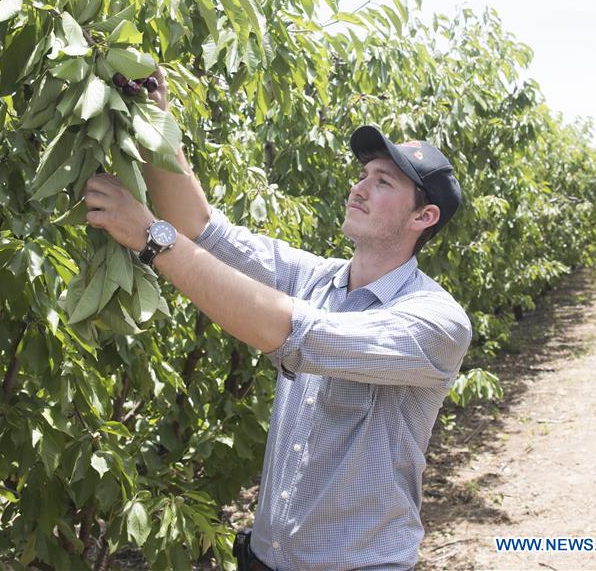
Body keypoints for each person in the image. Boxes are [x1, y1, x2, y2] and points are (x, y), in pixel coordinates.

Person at [83, 68, 472, 571]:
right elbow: (203, 228)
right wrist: (154, 121)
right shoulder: (315, 278)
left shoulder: (436, 322)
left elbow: (298, 337)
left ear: (424, 218)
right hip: (267, 558)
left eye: (383, 182)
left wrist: (152, 239)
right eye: (362, 175)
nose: (359, 188)